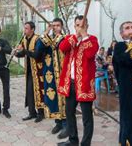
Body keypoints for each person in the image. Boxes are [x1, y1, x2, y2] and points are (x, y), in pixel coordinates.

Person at [57, 16, 99, 146]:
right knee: (69, 113)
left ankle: (85, 144)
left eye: (82, 25)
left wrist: (84, 35)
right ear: (74, 26)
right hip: (70, 84)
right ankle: (73, 141)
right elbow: (62, 48)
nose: (79, 27)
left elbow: (90, 54)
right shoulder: (70, 39)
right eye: (77, 25)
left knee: (87, 117)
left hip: (85, 85)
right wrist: (75, 36)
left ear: (87, 26)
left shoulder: (92, 40)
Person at [38, 18, 68, 139]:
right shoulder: (48, 40)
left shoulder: (65, 39)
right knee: (53, 98)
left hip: (62, 75)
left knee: (64, 100)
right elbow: (39, 49)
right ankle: (58, 122)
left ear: (62, 26)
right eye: (53, 25)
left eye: (57, 25)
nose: (55, 27)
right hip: (50, 75)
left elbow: (61, 47)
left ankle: (67, 125)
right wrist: (46, 32)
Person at [15, 21, 45, 123]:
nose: (25, 30)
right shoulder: (24, 39)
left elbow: (36, 55)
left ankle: (41, 113)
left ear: (32, 29)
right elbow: (24, 54)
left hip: (37, 70)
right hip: (28, 70)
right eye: (24, 28)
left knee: (38, 91)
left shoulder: (38, 39)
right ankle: (32, 112)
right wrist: (16, 53)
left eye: (27, 28)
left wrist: (24, 51)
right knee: (29, 92)